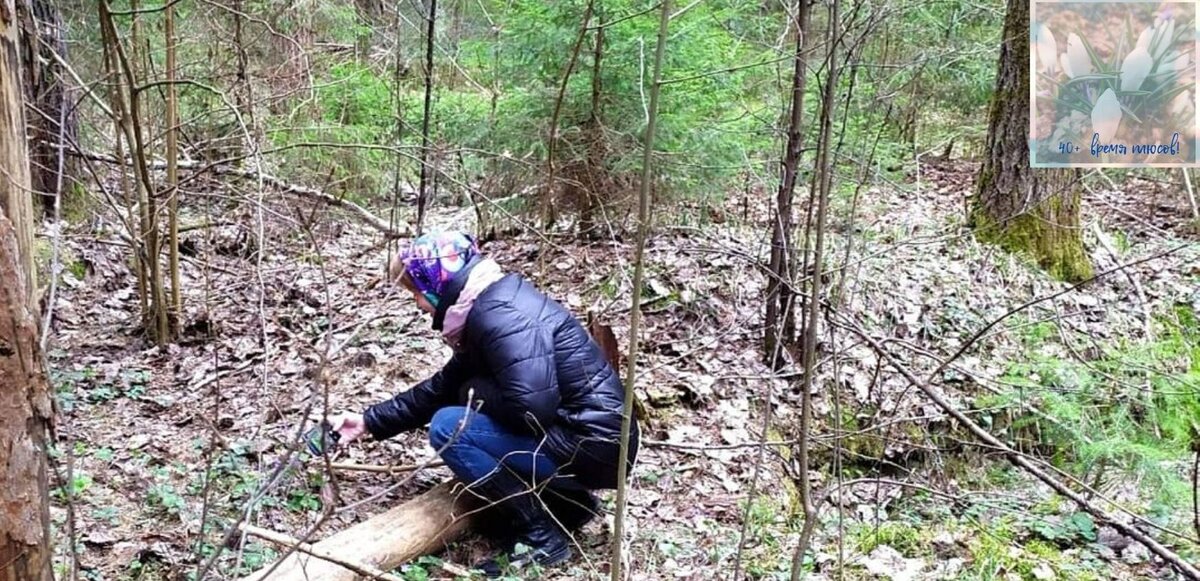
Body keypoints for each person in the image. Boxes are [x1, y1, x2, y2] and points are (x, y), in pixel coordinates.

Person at [331, 230, 639, 577]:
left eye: (416, 292)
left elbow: (531, 411)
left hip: (592, 446)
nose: (417, 303)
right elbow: (443, 386)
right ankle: (570, 506)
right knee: (455, 407)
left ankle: (542, 537)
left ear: (438, 282)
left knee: (451, 426)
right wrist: (370, 421)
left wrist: (472, 392)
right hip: (594, 441)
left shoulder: (499, 316)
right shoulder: (487, 305)